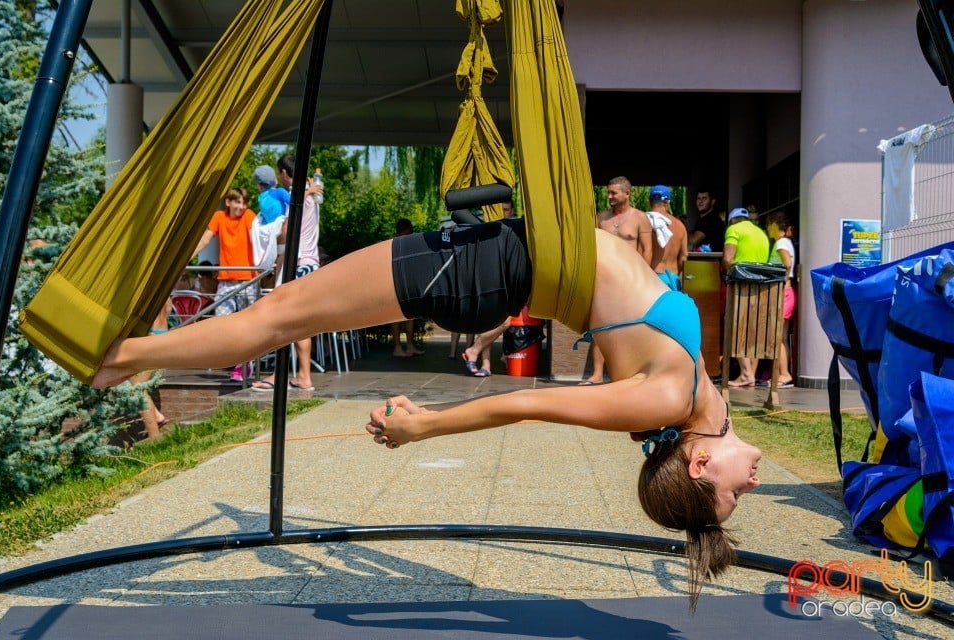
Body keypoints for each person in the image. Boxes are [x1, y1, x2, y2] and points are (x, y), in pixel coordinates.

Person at [93, 215, 763, 610]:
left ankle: (121, 359)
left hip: (488, 271)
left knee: (280, 314)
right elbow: (623, 285)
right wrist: (623, 234)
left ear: (701, 461)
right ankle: (127, 355)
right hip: (503, 255)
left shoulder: (666, 398)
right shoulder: (694, 391)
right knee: (283, 310)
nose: (754, 483)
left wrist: (424, 426)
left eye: (734, 493)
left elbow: (527, 403)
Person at [252, 154, 323, 392]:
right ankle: (303, 376)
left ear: (283, 173)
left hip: (297, 262)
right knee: (300, 321)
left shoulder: (297, 194)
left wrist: (275, 252)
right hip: (311, 262)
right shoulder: (311, 192)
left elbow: (285, 230)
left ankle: (278, 374)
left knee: (281, 317)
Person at [583, 177, 653, 384]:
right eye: (609, 192)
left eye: (614, 193)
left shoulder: (640, 218)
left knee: (631, 327)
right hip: (604, 279)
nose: (610, 196)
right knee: (600, 326)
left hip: (630, 280)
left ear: (627, 194)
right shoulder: (601, 217)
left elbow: (647, 250)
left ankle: (627, 373)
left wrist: (643, 278)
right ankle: (597, 374)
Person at [190, 187, 258, 382]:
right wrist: (187, 257)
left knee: (250, 324)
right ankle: (234, 359)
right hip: (226, 280)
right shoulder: (219, 217)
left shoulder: (248, 216)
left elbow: (259, 235)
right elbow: (205, 238)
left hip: (248, 279)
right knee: (222, 323)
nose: (241, 207)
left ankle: (246, 365)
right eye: (237, 202)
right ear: (228, 202)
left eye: (244, 203)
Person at [462, 202, 516, 377]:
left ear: (512, 211)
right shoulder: (485, 229)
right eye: (500, 210)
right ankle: (486, 364)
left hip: (508, 285)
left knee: (506, 322)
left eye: (506, 210)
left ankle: (474, 350)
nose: (503, 214)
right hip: (485, 282)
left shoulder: (514, 229)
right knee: (489, 321)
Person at [721, 207, 770, 388]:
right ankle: (751, 374)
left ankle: (745, 374)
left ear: (733, 220)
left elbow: (727, 258)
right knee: (754, 331)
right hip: (762, 290)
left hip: (741, 288)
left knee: (734, 326)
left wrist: (727, 273)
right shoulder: (761, 233)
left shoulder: (734, 230)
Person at [133, 297, 174, 439]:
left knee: (137, 390)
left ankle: (154, 436)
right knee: (134, 386)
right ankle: (157, 416)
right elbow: (168, 310)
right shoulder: (165, 294)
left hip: (150, 340)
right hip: (161, 335)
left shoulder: (145, 294)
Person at [765, 210, 797, 388]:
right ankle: (781, 373)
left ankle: (784, 374)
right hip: (786, 292)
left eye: (769, 224)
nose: (767, 228)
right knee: (780, 337)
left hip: (783, 292)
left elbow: (787, 264)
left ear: (776, 226)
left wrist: (780, 281)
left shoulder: (781, 243)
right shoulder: (785, 242)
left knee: (778, 337)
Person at [390, 218, 425, 358]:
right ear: (405, 229)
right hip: (396, 283)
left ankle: (409, 345)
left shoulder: (405, 242)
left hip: (407, 283)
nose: (412, 231)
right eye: (410, 228)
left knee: (410, 315)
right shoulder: (394, 244)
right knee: (395, 316)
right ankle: (398, 347)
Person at [646, 185, 689, 291]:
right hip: (673, 278)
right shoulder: (680, 226)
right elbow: (684, 256)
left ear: (649, 202)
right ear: (668, 202)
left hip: (653, 277)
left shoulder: (644, 221)